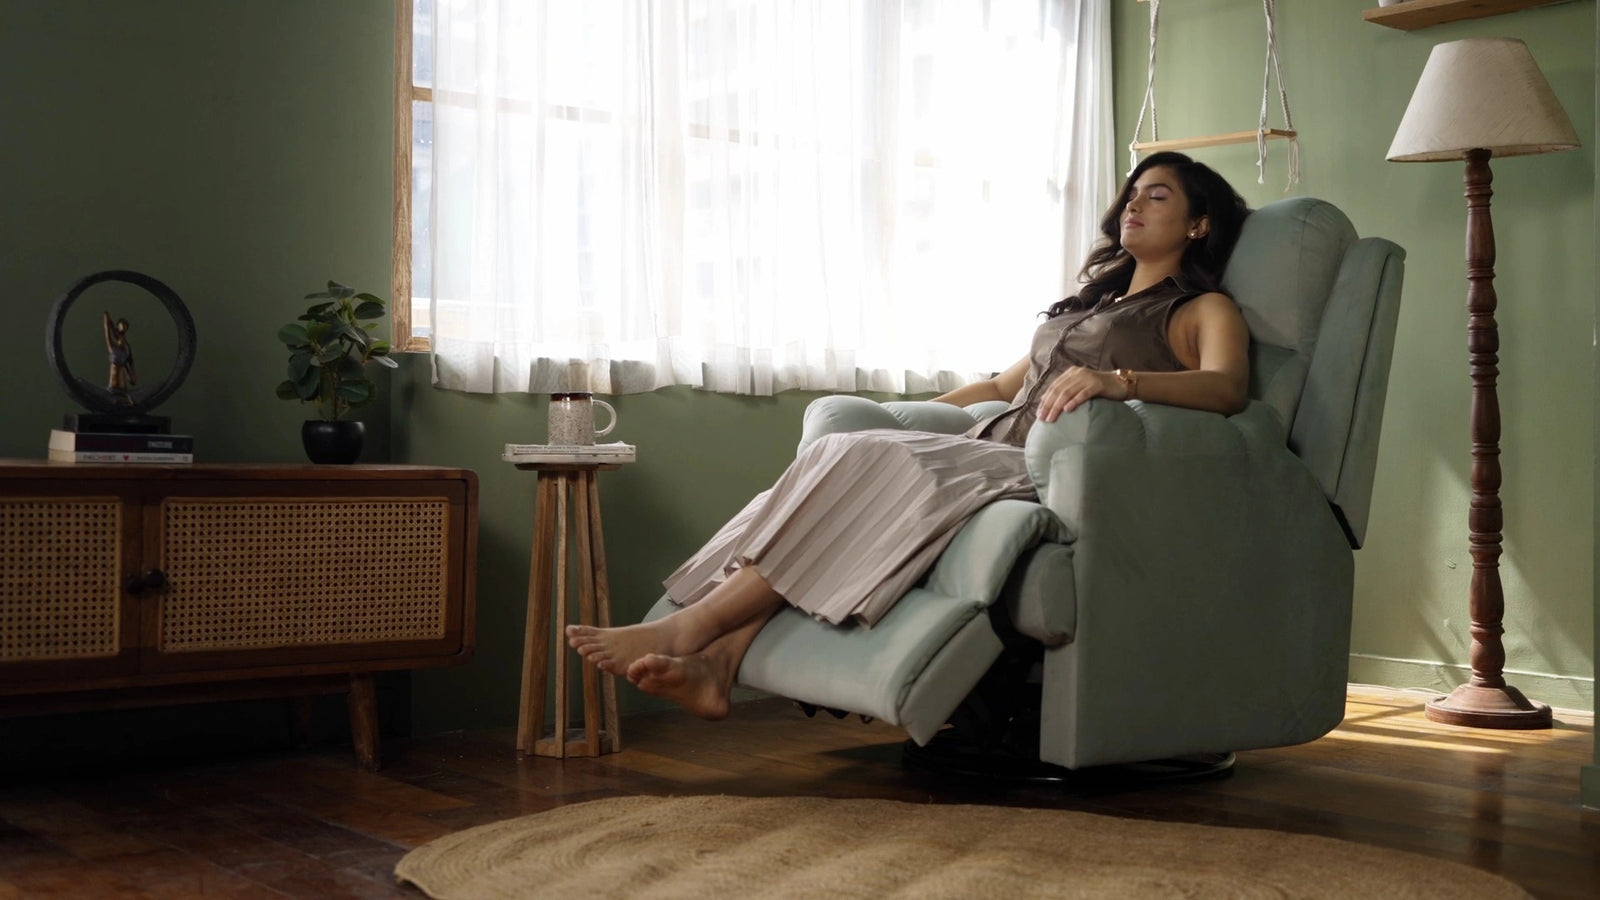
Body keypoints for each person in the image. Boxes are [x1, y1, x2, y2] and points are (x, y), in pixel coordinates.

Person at [567, 151, 1252, 721]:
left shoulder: (1198, 308)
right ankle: (718, 662)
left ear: (1198, 224)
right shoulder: (1093, 305)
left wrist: (1119, 381)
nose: (1132, 204)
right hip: (990, 441)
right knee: (846, 450)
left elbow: (1226, 387)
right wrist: (901, 419)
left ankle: (693, 628)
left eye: (1156, 197)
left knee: (855, 458)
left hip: (1047, 464)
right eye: (1131, 194)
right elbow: (996, 387)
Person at [103, 311, 137, 403]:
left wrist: (130, 374)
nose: (122, 335)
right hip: (112, 388)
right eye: (120, 332)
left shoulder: (127, 350)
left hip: (123, 389)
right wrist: (109, 321)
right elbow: (107, 325)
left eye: (123, 332)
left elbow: (132, 378)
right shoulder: (112, 347)